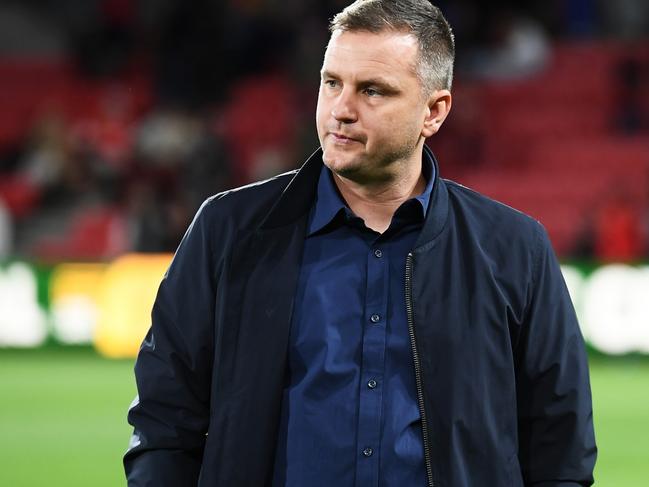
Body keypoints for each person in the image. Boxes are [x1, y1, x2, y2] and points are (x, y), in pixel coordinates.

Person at [124, 1, 597, 485]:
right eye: (332, 83)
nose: (341, 110)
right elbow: (165, 421)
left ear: (434, 111)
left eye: (373, 91)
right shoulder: (227, 231)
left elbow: (561, 446)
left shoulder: (514, 249)